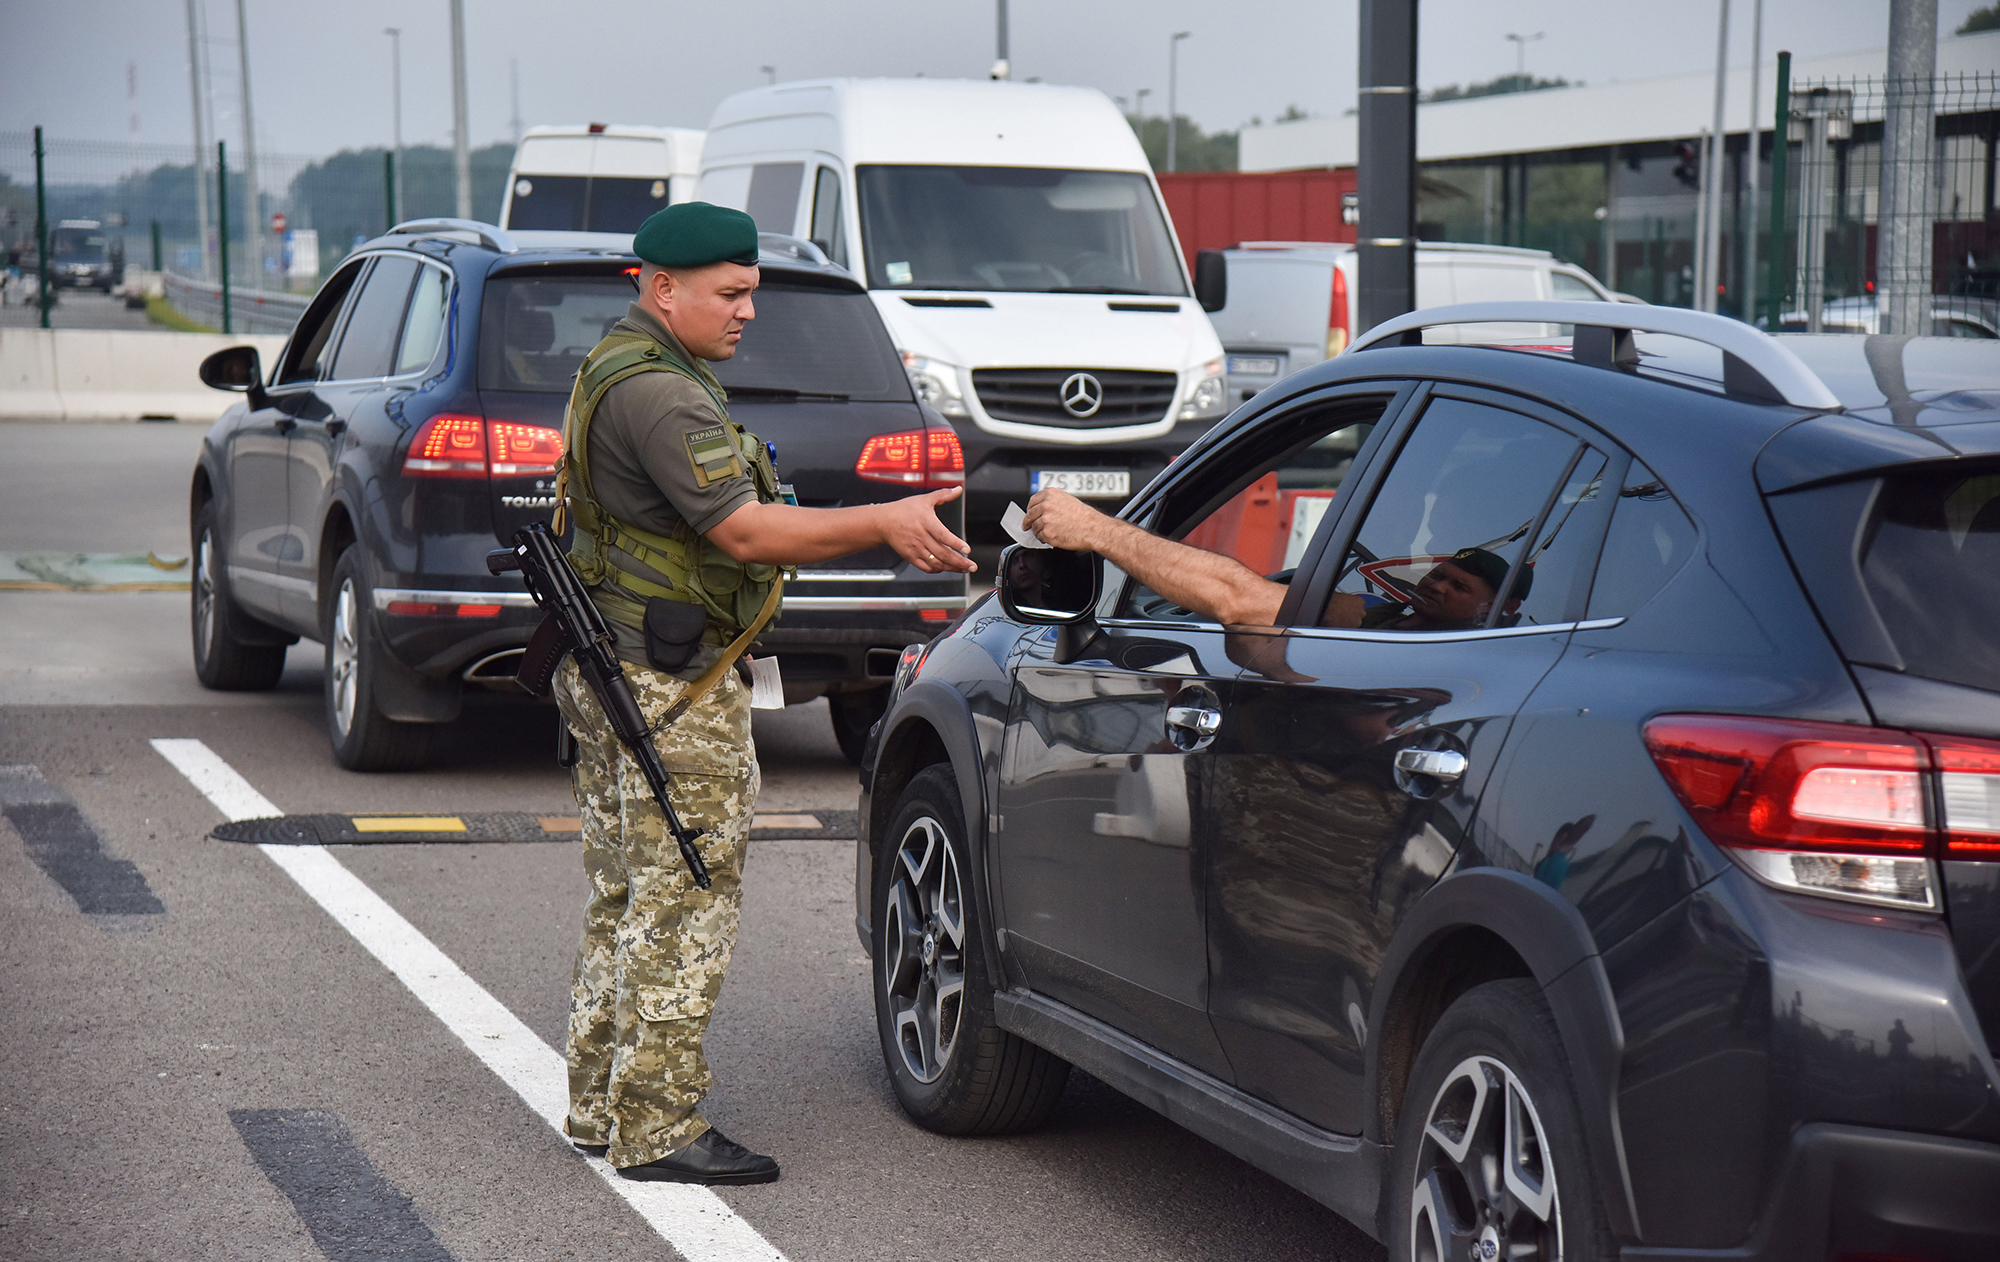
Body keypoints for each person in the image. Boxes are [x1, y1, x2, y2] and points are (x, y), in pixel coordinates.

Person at [553, 202, 975, 1186]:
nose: (748, 312)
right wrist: (886, 521)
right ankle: (654, 1124)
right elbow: (742, 532)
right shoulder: (662, 394)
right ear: (663, 289)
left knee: (625, 893)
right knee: (682, 897)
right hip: (667, 684)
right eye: (730, 293)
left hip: (617, 668)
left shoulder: (617, 362)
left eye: (752, 292)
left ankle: (598, 1100)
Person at [1019, 487, 1527, 629]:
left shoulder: (1480, 653)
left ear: (1502, 613)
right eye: (1440, 575)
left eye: (1459, 588)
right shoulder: (1376, 613)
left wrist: (1099, 531)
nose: (1437, 586)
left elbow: (1237, 600)